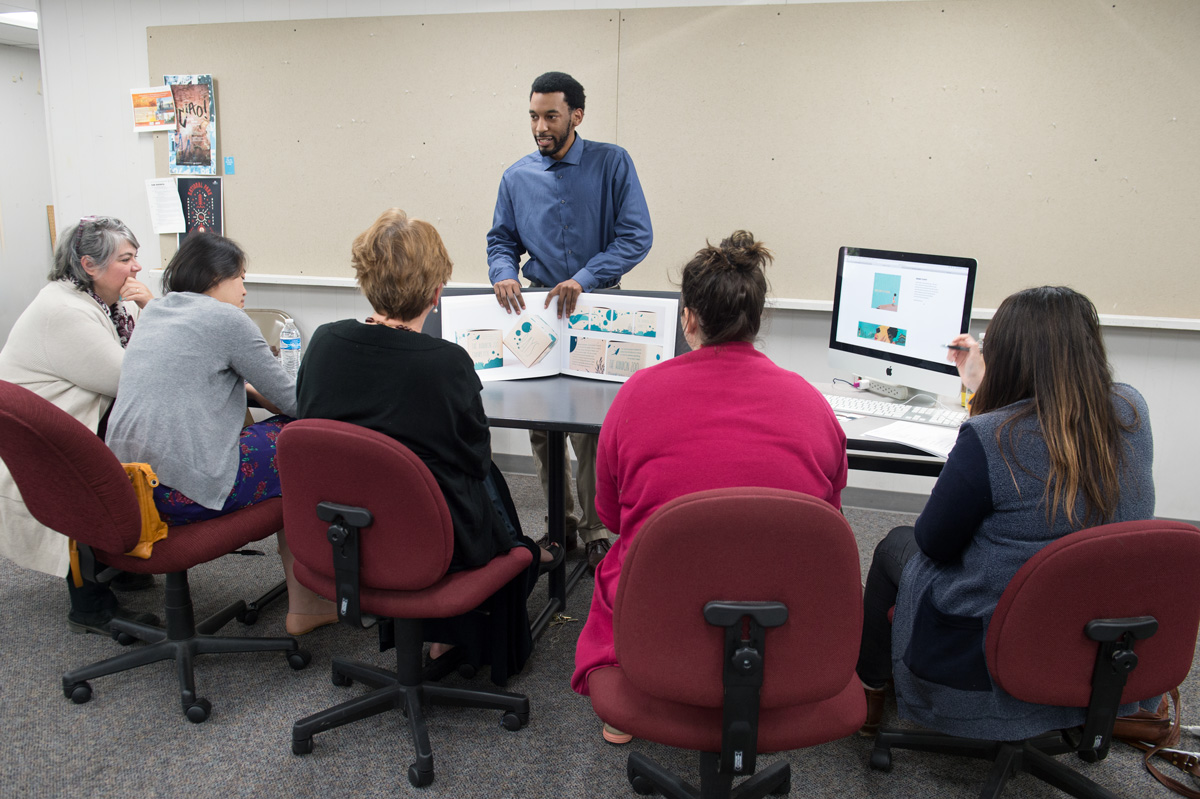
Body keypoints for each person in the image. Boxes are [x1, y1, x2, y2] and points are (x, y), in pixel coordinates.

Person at [571, 231, 848, 743]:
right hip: (775, 614)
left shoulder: (636, 397)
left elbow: (611, 518)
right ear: (757, 321)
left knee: (623, 556)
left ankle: (632, 694)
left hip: (660, 608)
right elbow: (825, 525)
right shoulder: (813, 406)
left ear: (689, 318)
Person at [856, 286, 1156, 738]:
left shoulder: (989, 436)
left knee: (894, 545)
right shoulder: (1130, 408)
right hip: (1095, 628)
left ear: (1009, 357)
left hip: (993, 639)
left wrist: (984, 402)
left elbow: (934, 542)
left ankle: (870, 693)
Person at [296, 208, 543, 685]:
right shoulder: (444, 364)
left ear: (365, 282)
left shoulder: (325, 344)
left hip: (343, 532)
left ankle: (444, 624)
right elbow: (473, 459)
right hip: (434, 542)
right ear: (436, 292)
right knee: (490, 495)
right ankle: (462, 624)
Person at [105, 233, 336, 636]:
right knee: (298, 442)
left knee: (279, 447)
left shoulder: (155, 313)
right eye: (240, 278)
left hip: (127, 492)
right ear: (215, 276)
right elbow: (297, 404)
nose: (246, 290)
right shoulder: (226, 319)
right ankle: (309, 603)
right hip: (180, 492)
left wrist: (245, 389)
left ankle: (307, 603)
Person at [486, 70, 653, 573]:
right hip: (536, 310)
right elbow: (501, 240)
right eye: (534, 116)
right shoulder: (516, 176)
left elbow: (635, 236)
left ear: (576, 115)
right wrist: (501, 273)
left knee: (593, 428)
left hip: (596, 308)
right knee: (541, 424)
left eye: (551, 116)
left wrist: (584, 277)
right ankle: (559, 525)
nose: (540, 126)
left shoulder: (611, 162)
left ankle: (596, 526)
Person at [0, 215, 157, 635]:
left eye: (135, 257)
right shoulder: (64, 310)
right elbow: (130, 378)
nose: (137, 268)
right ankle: (90, 604)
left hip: (71, 426)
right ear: (89, 265)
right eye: (126, 259)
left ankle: (117, 561)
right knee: (145, 446)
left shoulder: (101, 302)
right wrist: (153, 311)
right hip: (49, 447)